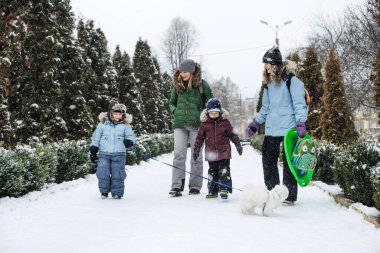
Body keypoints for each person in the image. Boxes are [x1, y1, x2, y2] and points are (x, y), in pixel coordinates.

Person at [247, 46, 307, 206]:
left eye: (267, 63)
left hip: (289, 129)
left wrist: (301, 122)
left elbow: (300, 104)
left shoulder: (292, 81)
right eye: (264, 64)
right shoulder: (267, 84)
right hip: (272, 129)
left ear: (275, 64)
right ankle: (274, 193)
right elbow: (265, 107)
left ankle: (289, 195)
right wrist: (256, 123)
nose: (265, 67)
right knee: (268, 162)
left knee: (289, 164)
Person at [169, 59, 213, 197]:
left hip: (197, 125)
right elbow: (171, 103)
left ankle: (195, 186)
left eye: (185, 72)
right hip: (179, 124)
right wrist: (175, 111)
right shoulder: (177, 85)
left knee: (196, 156)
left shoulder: (202, 85)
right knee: (178, 155)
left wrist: (205, 116)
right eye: (181, 72)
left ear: (192, 71)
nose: (183, 74)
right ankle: (176, 186)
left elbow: (210, 103)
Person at [193, 98, 243, 199]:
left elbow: (232, 134)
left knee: (224, 170)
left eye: (216, 113)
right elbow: (199, 138)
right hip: (211, 153)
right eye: (212, 113)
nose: (214, 115)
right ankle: (212, 190)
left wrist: (237, 144)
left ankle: (224, 189)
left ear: (220, 112)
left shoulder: (225, 122)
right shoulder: (204, 124)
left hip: (224, 151)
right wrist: (196, 148)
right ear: (208, 113)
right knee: (212, 171)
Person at [89, 102, 136, 199]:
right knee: (102, 172)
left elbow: (131, 136)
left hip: (119, 154)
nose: (118, 116)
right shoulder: (102, 125)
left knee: (118, 173)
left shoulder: (125, 126)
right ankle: (104, 191)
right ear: (110, 113)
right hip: (104, 154)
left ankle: (117, 192)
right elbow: (96, 138)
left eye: (120, 114)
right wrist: (93, 148)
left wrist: (129, 142)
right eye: (116, 114)